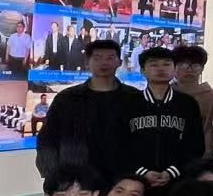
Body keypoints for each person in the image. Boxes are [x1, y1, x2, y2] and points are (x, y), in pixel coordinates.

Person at [35, 39, 140, 181]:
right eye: (97, 58)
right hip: (76, 179)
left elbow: (144, 140)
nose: (104, 63)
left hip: (122, 179)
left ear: (119, 62)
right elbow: (47, 139)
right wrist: (54, 178)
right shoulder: (67, 98)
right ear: (87, 62)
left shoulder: (135, 97)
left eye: (110, 58)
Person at [123, 46, 205, 191]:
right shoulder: (128, 103)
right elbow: (118, 144)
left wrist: (172, 171)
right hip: (135, 180)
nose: (161, 69)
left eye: (167, 64)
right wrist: (142, 172)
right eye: (154, 65)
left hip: (177, 181)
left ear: (174, 69)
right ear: (142, 70)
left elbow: (196, 145)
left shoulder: (187, 103)